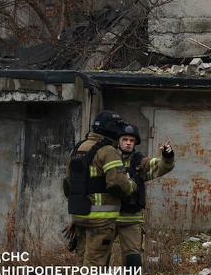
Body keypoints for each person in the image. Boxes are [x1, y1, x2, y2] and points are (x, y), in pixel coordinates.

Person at [64, 111, 137, 267]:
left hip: (80, 215)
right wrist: (132, 185)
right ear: (111, 129)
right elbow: (117, 184)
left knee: (81, 262)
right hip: (101, 220)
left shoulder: (78, 147)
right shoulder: (108, 151)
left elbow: (68, 183)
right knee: (95, 264)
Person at [115, 123, 175, 270]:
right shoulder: (107, 158)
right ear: (119, 141)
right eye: (125, 139)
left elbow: (159, 166)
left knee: (133, 260)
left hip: (131, 218)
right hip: (107, 217)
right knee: (99, 258)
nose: (128, 143)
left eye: (132, 140)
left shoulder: (139, 162)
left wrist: (167, 156)